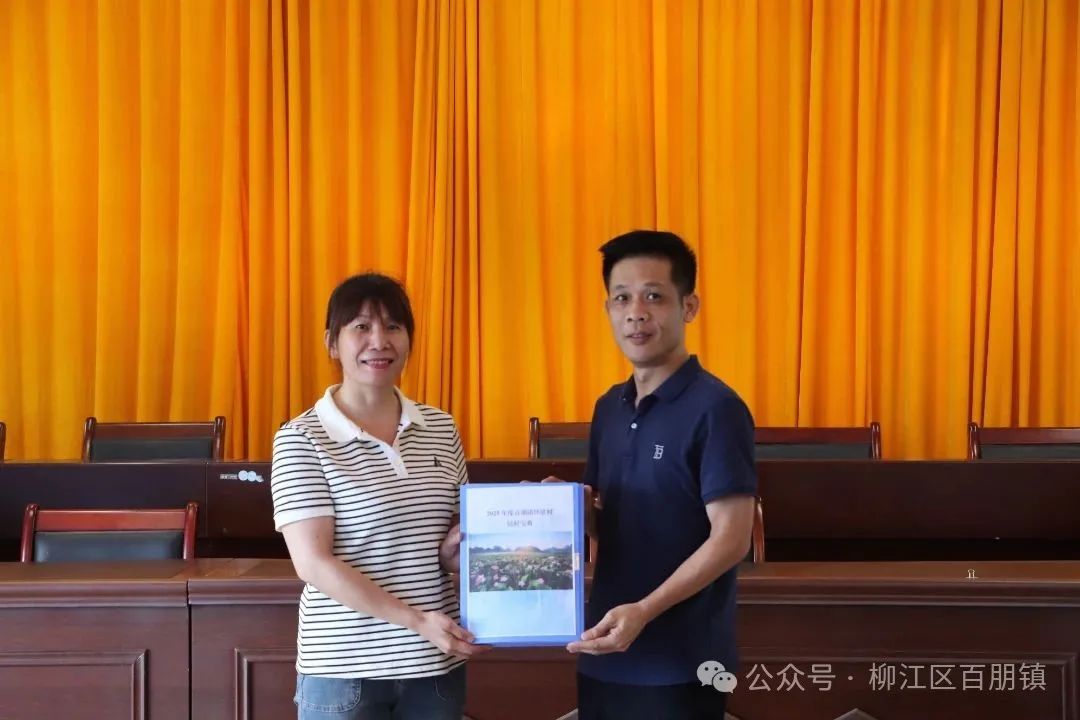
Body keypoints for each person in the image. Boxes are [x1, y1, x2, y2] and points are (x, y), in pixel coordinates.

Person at [270, 272, 485, 720]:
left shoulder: (441, 428)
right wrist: (417, 621)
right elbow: (313, 563)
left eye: (393, 327)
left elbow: (446, 547)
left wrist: (454, 552)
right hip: (345, 672)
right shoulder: (301, 438)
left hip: (435, 665)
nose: (379, 341)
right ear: (332, 343)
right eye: (362, 327)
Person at [567, 230, 758, 720]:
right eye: (622, 298)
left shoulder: (717, 408)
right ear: (608, 310)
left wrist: (645, 610)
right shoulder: (609, 408)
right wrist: (565, 510)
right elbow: (607, 523)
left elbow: (732, 539)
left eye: (654, 296)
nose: (636, 313)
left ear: (688, 307)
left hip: (684, 661)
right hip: (604, 648)